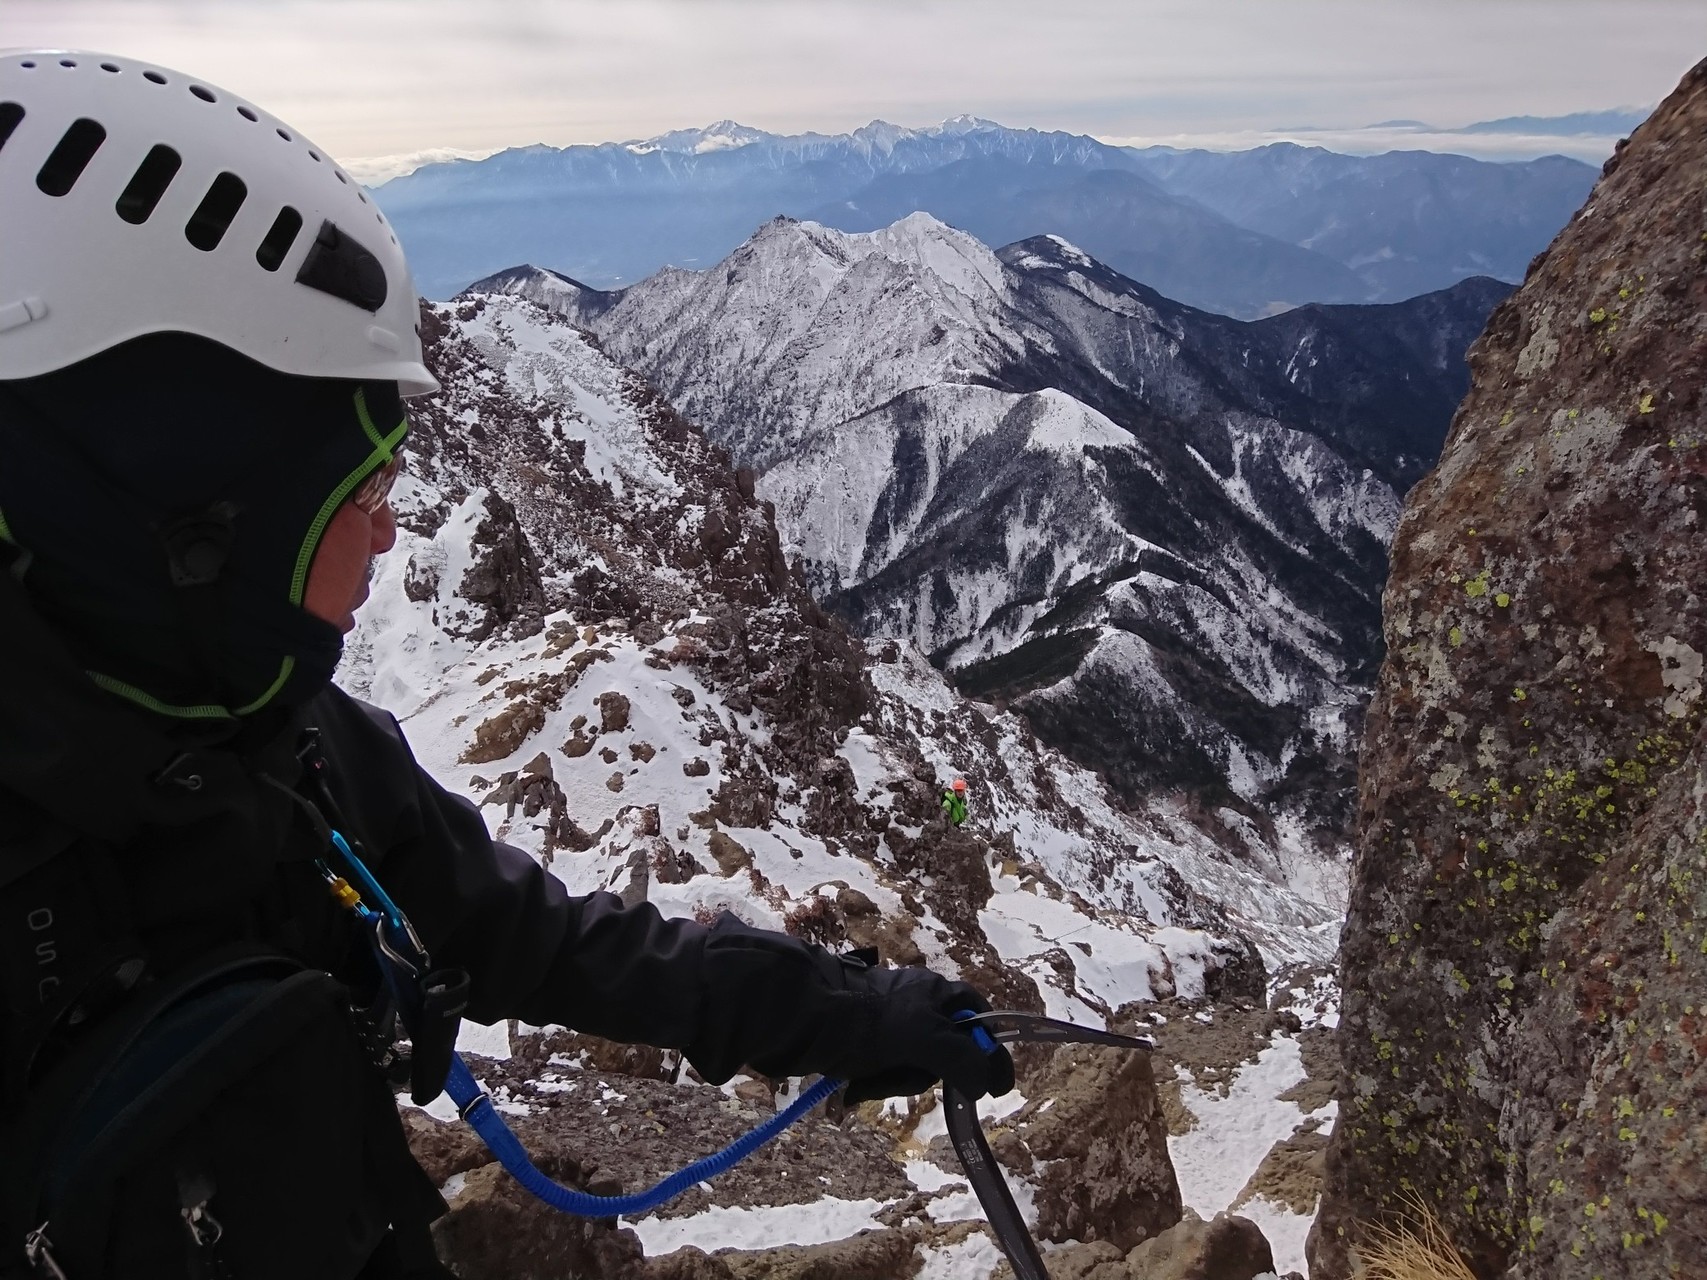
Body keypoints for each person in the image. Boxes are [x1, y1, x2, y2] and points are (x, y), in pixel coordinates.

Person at [0, 51, 1012, 1280]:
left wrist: (846, 1013)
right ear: (188, 529)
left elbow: (531, 934)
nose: (390, 530)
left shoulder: (278, 741)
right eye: (356, 491)